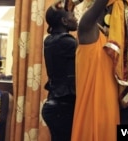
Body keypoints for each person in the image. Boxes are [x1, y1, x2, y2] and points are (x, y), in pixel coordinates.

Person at [71, 0, 128, 141]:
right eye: (123, 17)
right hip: (90, 117)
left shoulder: (121, 52)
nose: (126, 26)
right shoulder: (87, 30)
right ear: (109, 15)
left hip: (112, 119)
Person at [41, 1, 78, 141]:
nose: (76, 18)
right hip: (63, 109)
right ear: (64, 21)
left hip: (55, 106)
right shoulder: (67, 42)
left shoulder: (50, 40)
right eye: (73, 16)